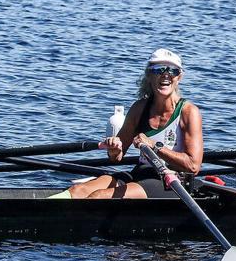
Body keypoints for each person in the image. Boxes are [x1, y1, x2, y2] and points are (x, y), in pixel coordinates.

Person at [65, 49, 204, 199]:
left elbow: (193, 166)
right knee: (77, 191)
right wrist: (113, 149)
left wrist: (154, 146)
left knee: (99, 196)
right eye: (159, 70)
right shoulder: (139, 108)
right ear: (149, 75)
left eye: (173, 70)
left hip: (171, 181)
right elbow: (116, 157)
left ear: (179, 77)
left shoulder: (189, 112)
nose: (166, 74)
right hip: (140, 174)